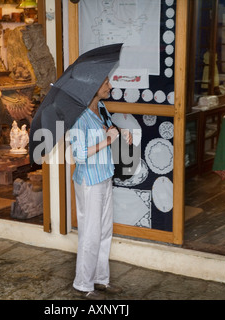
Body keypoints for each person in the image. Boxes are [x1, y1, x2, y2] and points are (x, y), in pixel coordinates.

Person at [69, 77, 131, 300]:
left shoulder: (101, 108)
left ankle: (100, 279)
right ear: (92, 87)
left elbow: (109, 130)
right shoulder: (79, 116)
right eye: (105, 83)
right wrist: (107, 140)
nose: (110, 87)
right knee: (90, 233)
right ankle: (83, 284)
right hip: (89, 181)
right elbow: (79, 154)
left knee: (105, 231)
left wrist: (121, 133)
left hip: (105, 175)